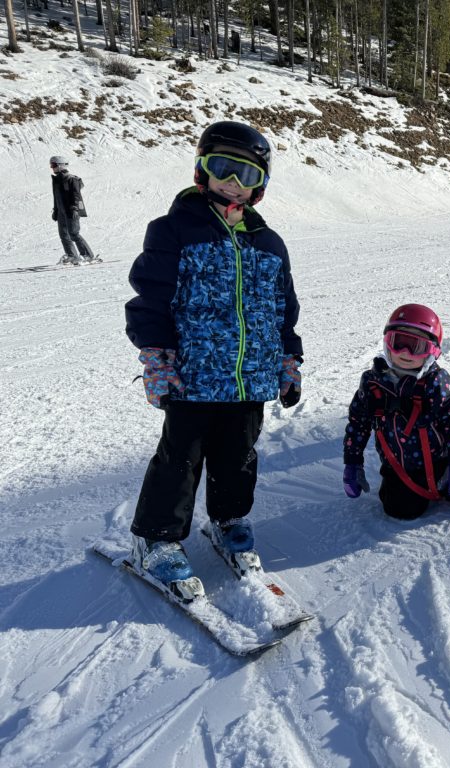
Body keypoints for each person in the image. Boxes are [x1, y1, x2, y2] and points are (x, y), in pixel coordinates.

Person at [123, 121, 303, 598]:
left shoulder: (269, 243)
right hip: (193, 377)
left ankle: (227, 520)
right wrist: (158, 359)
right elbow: (150, 300)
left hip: (251, 379)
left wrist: (288, 360)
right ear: (202, 168)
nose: (234, 183)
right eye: (223, 168)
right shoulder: (174, 231)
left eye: (247, 174)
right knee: (179, 461)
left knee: (238, 457)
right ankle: (155, 539)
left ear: (261, 184)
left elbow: (284, 310)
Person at [342, 304, 450, 521]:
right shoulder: (372, 383)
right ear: (387, 342)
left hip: (439, 460)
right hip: (399, 463)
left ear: (432, 351)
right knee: (399, 509)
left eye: (416, 346)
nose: (405, 353)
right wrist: (352, 462)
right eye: (399, 343)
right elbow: (358, 424)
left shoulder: (435, 383)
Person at [50, 156, 97, 265]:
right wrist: (56, 210)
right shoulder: (56, 180)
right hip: (61, 211)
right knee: (64, 235)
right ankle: (72, 256)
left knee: (74, 233)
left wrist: (76, 209)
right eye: (51, 165)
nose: (52, 168)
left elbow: (77, 195)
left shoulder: (71, 179)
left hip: (71, 211)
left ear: (61, 165)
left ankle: (87, 255)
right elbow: (55, 197)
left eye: (54, 165)